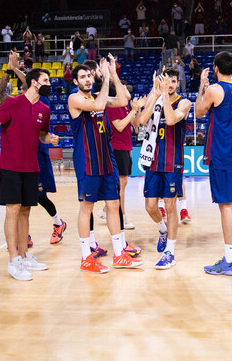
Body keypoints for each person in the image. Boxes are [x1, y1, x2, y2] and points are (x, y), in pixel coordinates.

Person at [0, 67, 58, 281]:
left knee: (25, 211)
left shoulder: (44, 109)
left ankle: (24, 256)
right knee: (13, 210)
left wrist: (49, 139)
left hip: (31, 167)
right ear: (34, 82)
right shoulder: (12, 103)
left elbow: (41, 135)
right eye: (46, 80)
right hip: (10, 166)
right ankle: (13, 260)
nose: (49, 84)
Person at [68, 58, 142, 273]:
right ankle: (86, 257)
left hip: (106, 160)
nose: (88, 79)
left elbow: (122, 100)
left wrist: (112, 73)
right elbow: (99, 105)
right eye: (82, 77)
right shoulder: (75, 98)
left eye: (89, 75)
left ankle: (120, 254)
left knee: (113, 205)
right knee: (86, 208)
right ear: (75, 81)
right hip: (87, 161)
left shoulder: (98, 96)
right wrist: (106, 78)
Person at [0, 52, 67, 248]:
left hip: (37, 156)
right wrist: (8, 71)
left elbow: (31, 81)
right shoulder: (15, 103)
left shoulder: (41, 103)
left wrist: (17, 69)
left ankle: (58, 223)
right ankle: (25, 235)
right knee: (20, 202)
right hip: (17, 160)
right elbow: (1, 93)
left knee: (38, 196)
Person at [195, 51, 232, 275]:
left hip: (222, 153)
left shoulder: (215, 90)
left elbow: (199, 112)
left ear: (216, 68)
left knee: (225, 205)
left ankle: (229, 259)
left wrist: (202, 87)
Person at [138, 68, 192, 268]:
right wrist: (154, 95)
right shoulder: (157, 96)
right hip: (153, 160)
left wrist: (163, 98)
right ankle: (162, 230)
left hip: (172, 162)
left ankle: (170, 251)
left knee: (170, 207)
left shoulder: (184, 103)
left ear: (177, 84)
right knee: (150, 207)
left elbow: (170, 120)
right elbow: (141, 121)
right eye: (166, 81)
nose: (169, 85)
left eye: (173, 82)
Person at [105, 98, 141, 231]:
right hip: (117, 146)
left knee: (122, 184)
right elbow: (119, 126)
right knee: (120, 184)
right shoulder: (112, 106)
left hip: (126, 147)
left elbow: (136, 126)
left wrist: (137, 110)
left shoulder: (124, 106)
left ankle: (106, 210)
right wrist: (133, 110)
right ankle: (122, 216)